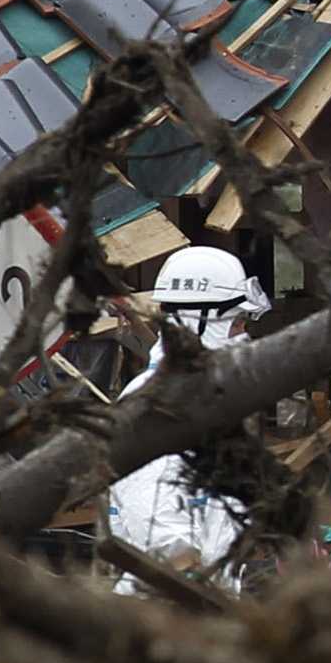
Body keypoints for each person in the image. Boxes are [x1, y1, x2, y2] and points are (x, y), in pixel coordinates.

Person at [104, 243, 265, 579]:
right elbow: (159, 532)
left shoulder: (206, 402)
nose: (244, 335)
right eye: (237, 323)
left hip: (208, 608)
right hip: (164, 611)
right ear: (198, 322)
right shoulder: (153, 407)